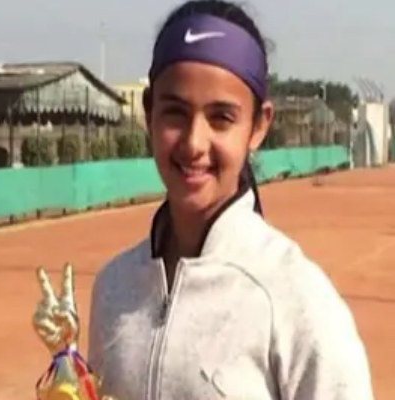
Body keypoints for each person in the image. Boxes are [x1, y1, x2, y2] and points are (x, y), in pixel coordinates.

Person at [34, 1, 374, 399]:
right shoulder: (114, 287)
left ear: (258, 125)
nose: (194, 143)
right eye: (175, 113)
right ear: (149, 112)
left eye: (221, 118)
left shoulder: (297, 301)